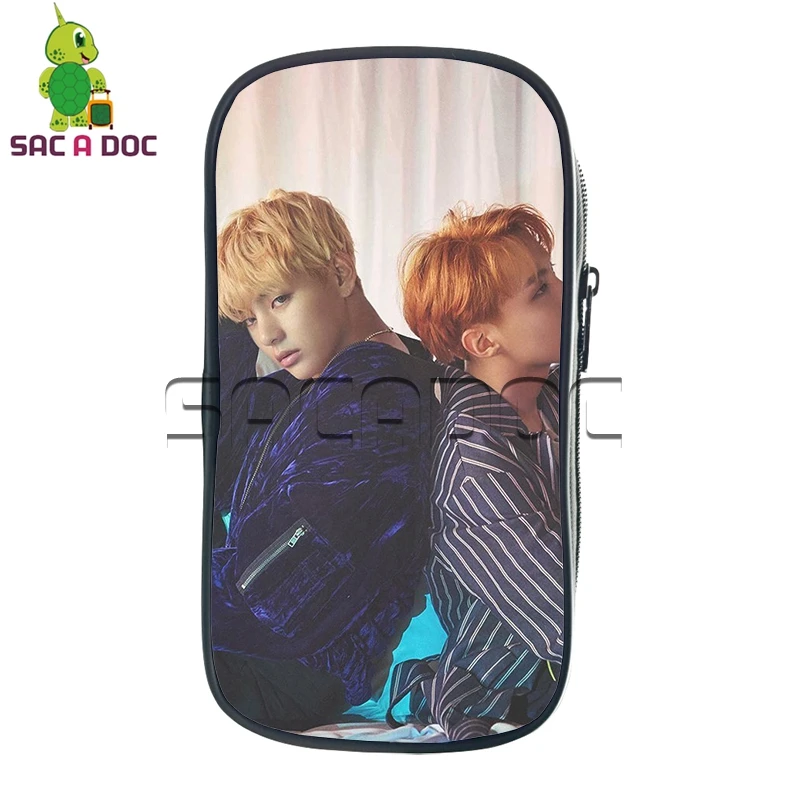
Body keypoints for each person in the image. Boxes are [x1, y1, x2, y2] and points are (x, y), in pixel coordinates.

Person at [211, 189, 441, 732]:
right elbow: (226, 476)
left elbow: (275, 593)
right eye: (250, 318)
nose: (267, 335)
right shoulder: (345, 374)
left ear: (340, 274)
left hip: (284, 669)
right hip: (275, 656)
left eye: (279, 299)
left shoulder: (374, 398)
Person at [387, 203, 564, 740]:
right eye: (541, 289)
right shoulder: (473, 464)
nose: (565, 293)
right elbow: (563, 613)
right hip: (519, 685)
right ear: (483, 342)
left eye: (552, 275)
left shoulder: (554, 400)